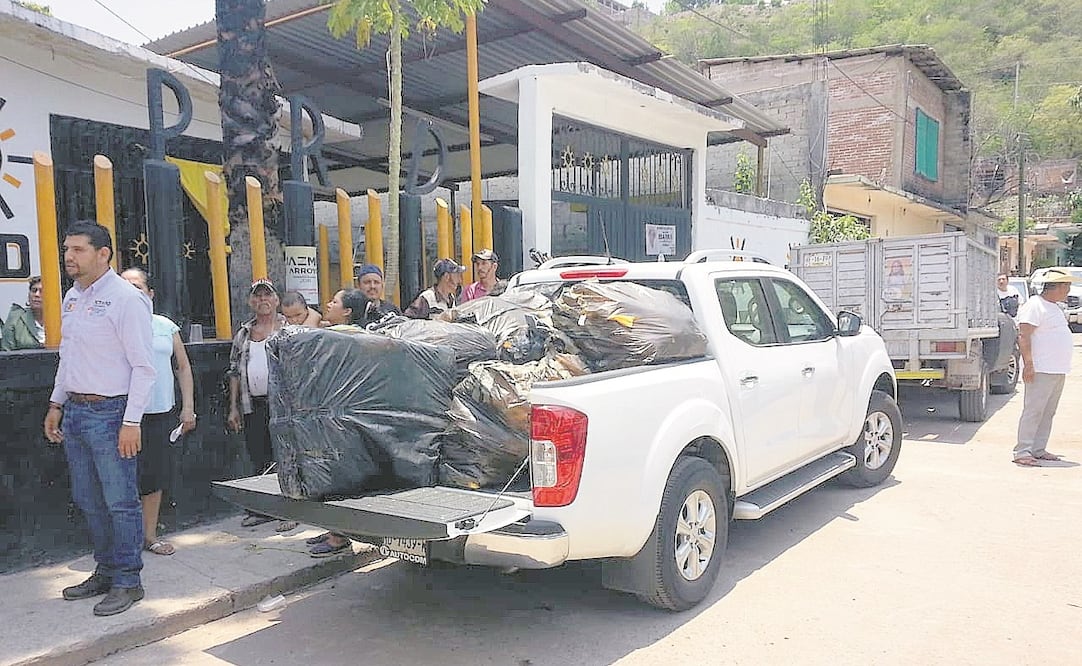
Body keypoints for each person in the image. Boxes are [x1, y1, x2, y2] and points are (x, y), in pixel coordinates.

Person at [42, 221, 155, 616]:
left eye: (78, 249)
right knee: (89, 500)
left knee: (120, 501)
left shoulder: (126, 299)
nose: (69, 256)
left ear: (103, 254)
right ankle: (105, 570)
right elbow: (67, 357)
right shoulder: (73, 298)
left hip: (111, 415)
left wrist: (131, 421)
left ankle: (128, 580)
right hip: (75, 412)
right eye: (67, 249)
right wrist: (57, 404)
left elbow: (144, 367)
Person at [120, 268, 196, 557]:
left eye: (138, 286)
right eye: (125, 286)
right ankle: (124, 541)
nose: (132, 291)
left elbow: (184, 367)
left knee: (153, 476)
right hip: (123, 415)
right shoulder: (112, 326)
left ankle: (149, 536)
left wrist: (187, 408)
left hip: (159, 413)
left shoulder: (165, 326)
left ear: (150, 294)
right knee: (124, 479)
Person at [226, 279, 296, 532]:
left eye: (268, 295)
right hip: (251, 404)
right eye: (257, 296)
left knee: (286, 457)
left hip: (283, 406)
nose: (262, 300)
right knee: (259, 457)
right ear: (250, 301)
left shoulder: (288, 329)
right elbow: (234, 370)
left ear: (276, 300)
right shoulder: (244, 333)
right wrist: (233, 407)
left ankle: (290, 511)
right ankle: (263, 510)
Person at [1012, 268, 1076, 467]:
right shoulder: (1035, 305)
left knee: (1048, 411)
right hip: (1041, 368)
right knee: (1034, 410)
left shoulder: (1054, 307)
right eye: (1066, 286)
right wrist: (1029, 364)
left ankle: (1038, 448)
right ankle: (1023, 450)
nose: (1068, 290)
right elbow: (1024, 335)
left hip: (1057, 369)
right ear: (1055, 287)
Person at [1, 275, 46, 350]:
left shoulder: (62, 318)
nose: (36, 295)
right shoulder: (15, 318)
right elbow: (7, 352)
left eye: (42, 291)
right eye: (34, 290)